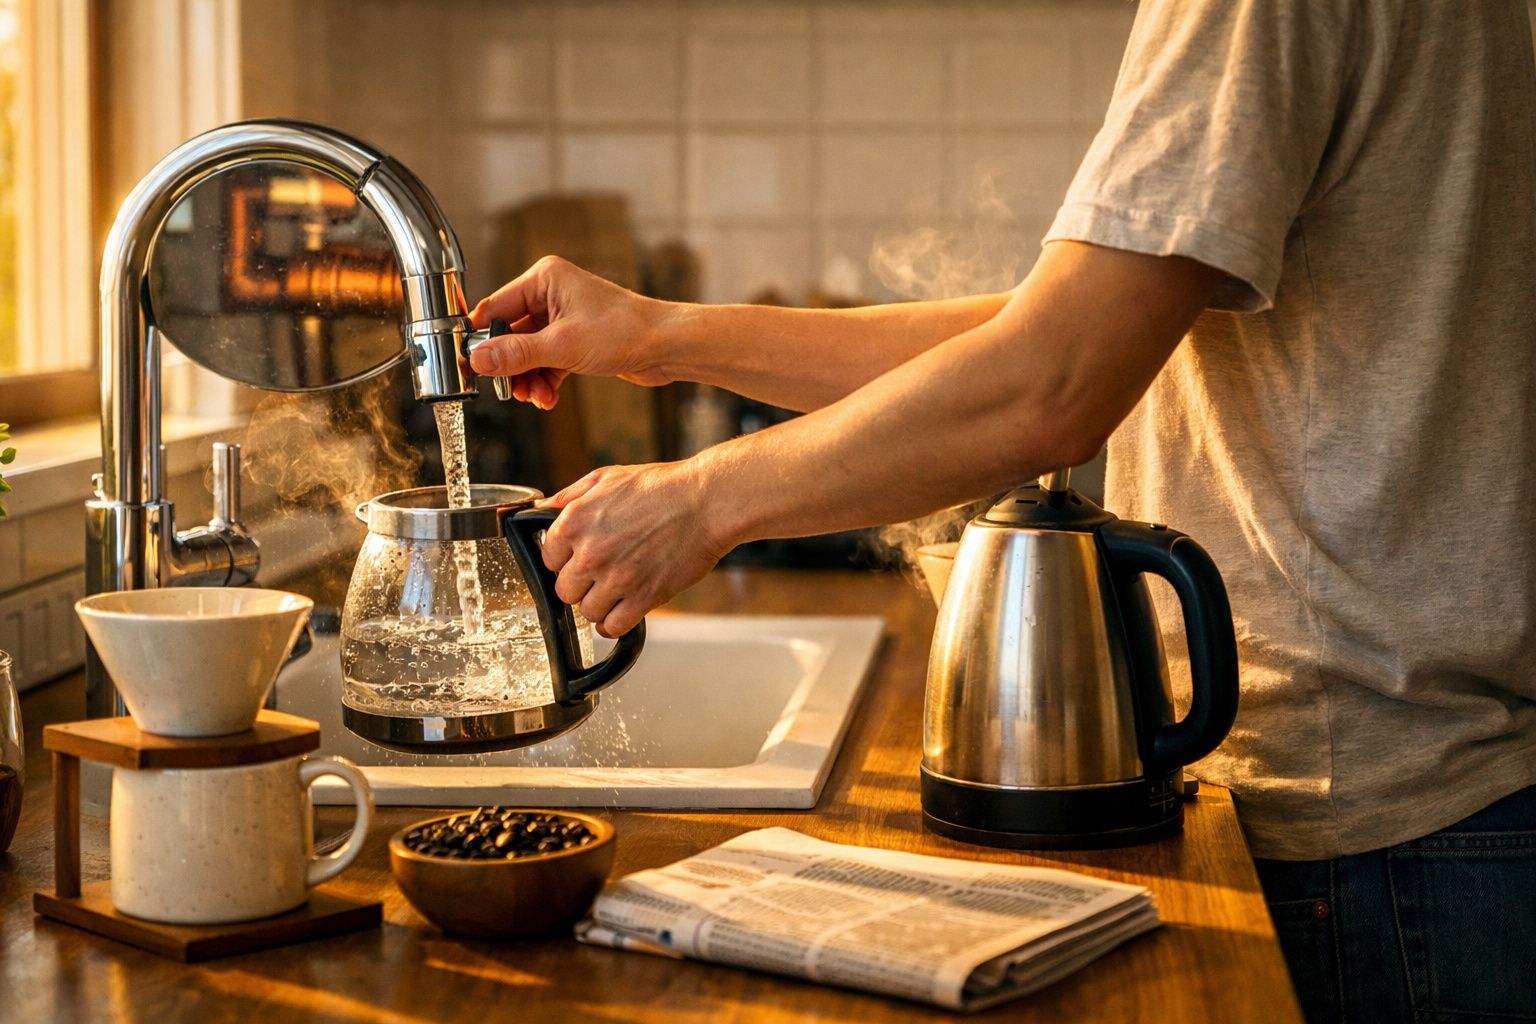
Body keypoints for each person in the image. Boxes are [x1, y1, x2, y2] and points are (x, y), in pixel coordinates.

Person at [466, 2, 1536, 1020]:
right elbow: (1070, 336)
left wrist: (700, 502)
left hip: (1364, 840)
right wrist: (662, 337)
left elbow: (1050, 385)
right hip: (1441, 812)